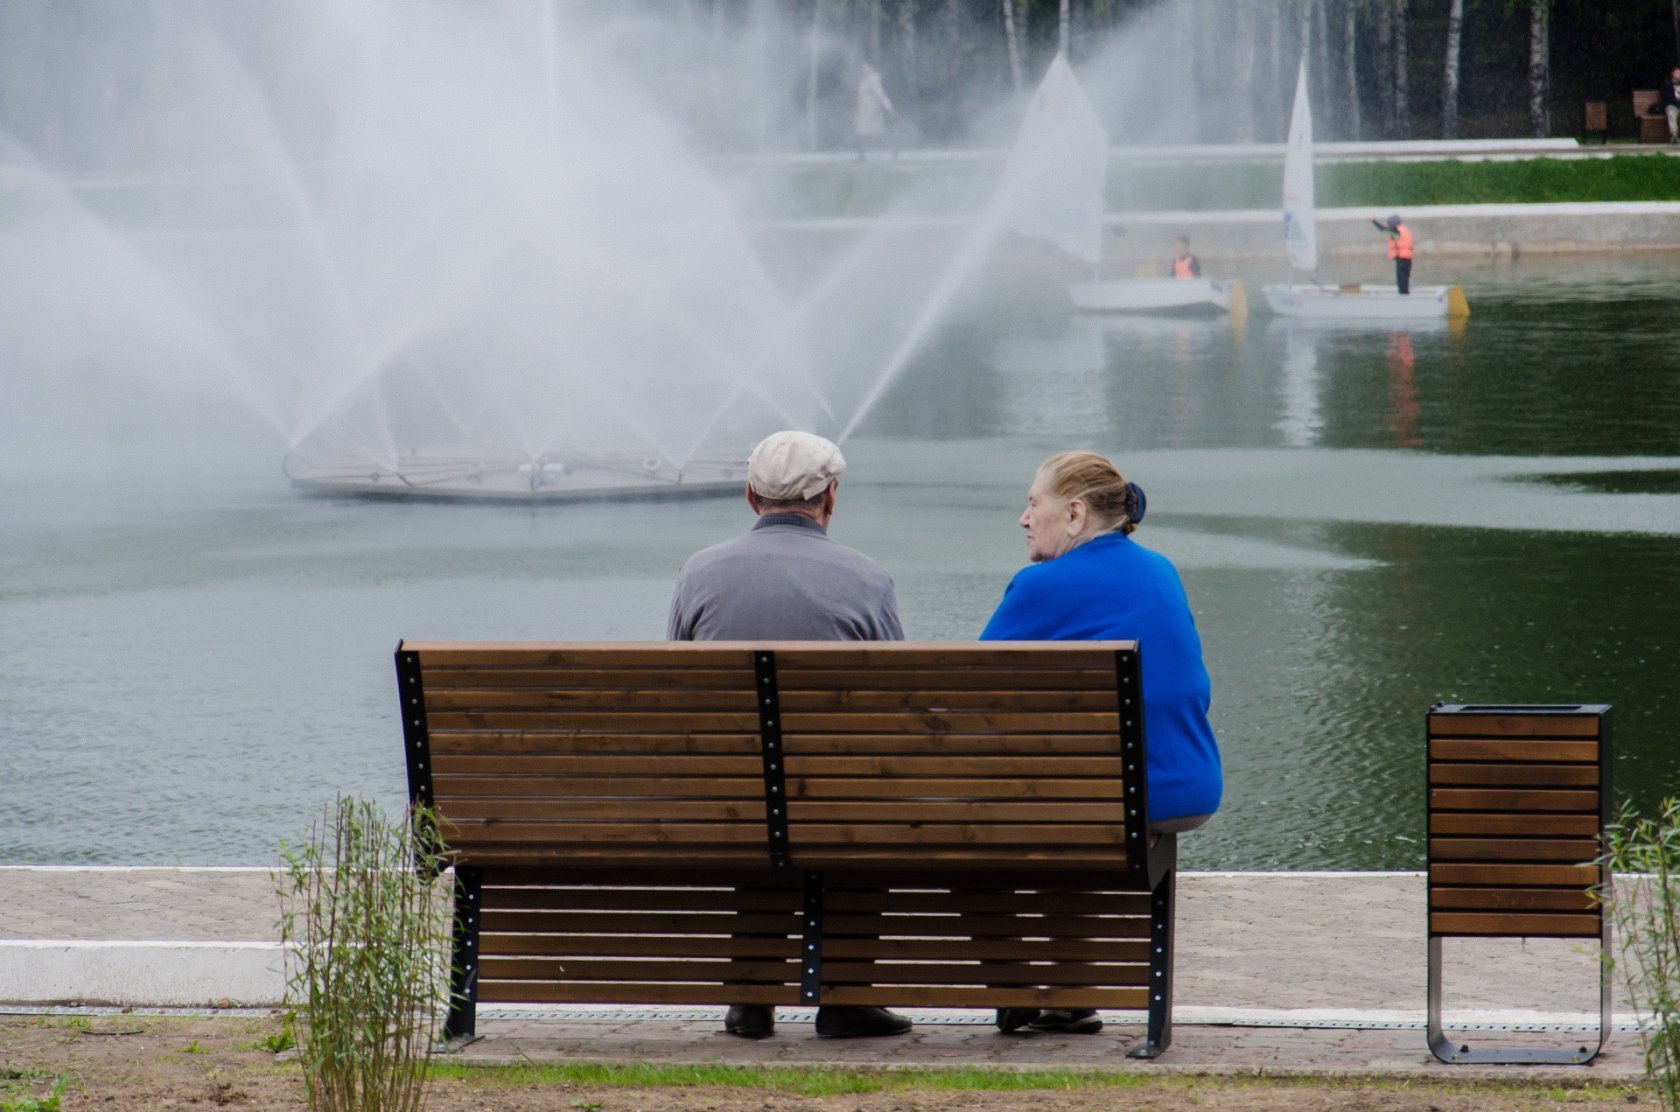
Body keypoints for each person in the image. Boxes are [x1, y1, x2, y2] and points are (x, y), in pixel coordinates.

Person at [668, 430, 911, 1040]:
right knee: (854, 794)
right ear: (831, 498)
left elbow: (678, 688)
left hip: (728, 798)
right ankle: (845, 996)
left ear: (751, 497)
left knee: (753, 793)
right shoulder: (868, 578)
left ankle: (752, 994)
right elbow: (894, 701)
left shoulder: (699, 574)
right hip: (838, 798)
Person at [978, 450, 1223, 1037]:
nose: (1023, 518)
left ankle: (1015, 986)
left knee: (976, 824)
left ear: (1076, 514)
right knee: (1067, 807)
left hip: (1116, 794)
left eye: (1034, 503)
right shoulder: (1160, 568)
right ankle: (1068, 994)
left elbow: (970, 690)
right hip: (1186, 782)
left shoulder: (1041, 585)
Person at [854, 61, 896, 162]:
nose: (864, 70)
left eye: (866, 68)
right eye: (863, 68)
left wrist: (888, 107)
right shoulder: (865, 80)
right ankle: (862, 154)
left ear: (871, 68)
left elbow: (880, 94)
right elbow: (861, 95)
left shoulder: (873, 80)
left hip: (871, 111)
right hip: (864, 111)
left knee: (869, 133)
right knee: (865, 133)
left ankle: (893, 149)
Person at [1370, 213, 1413, 295]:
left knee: (1401, 280)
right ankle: (1406, 293)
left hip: (1402, 259)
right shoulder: (1405, 230)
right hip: (1407, 258)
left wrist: (1373, 221)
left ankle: (1404, 297)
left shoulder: (1396, 232)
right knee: (1405, 278)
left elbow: (1382, 229)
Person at [1662, 68, 1680, 142]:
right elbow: (1668, 98)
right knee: (1671, 112)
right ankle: (1674, 135)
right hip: (1672, 105)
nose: (1679, 74)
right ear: (1672, 73)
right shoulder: (1666, 84)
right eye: (1677, 72)